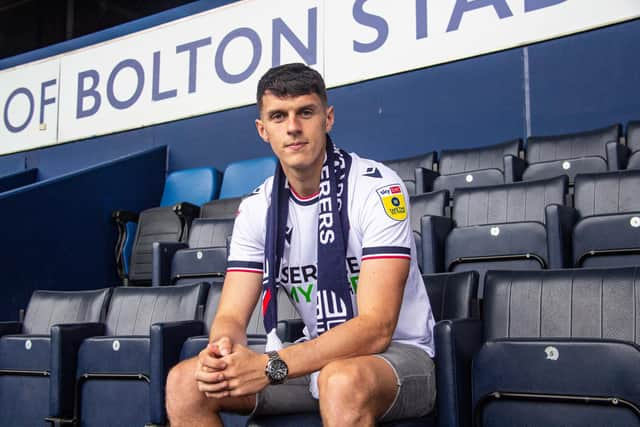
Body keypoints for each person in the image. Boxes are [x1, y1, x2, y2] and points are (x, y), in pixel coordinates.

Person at [165, 63, 436, 426]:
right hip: (314, 359)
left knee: (339, 380)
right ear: (263, 130)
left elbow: (377, 327)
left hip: (398, 356)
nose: (293, 127)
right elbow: (230, 315)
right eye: (278, 116)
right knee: (186, 382)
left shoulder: (376, 188)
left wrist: (273, 366)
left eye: (305, 112)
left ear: (328, 118)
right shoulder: (257, 207)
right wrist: (222, 350)